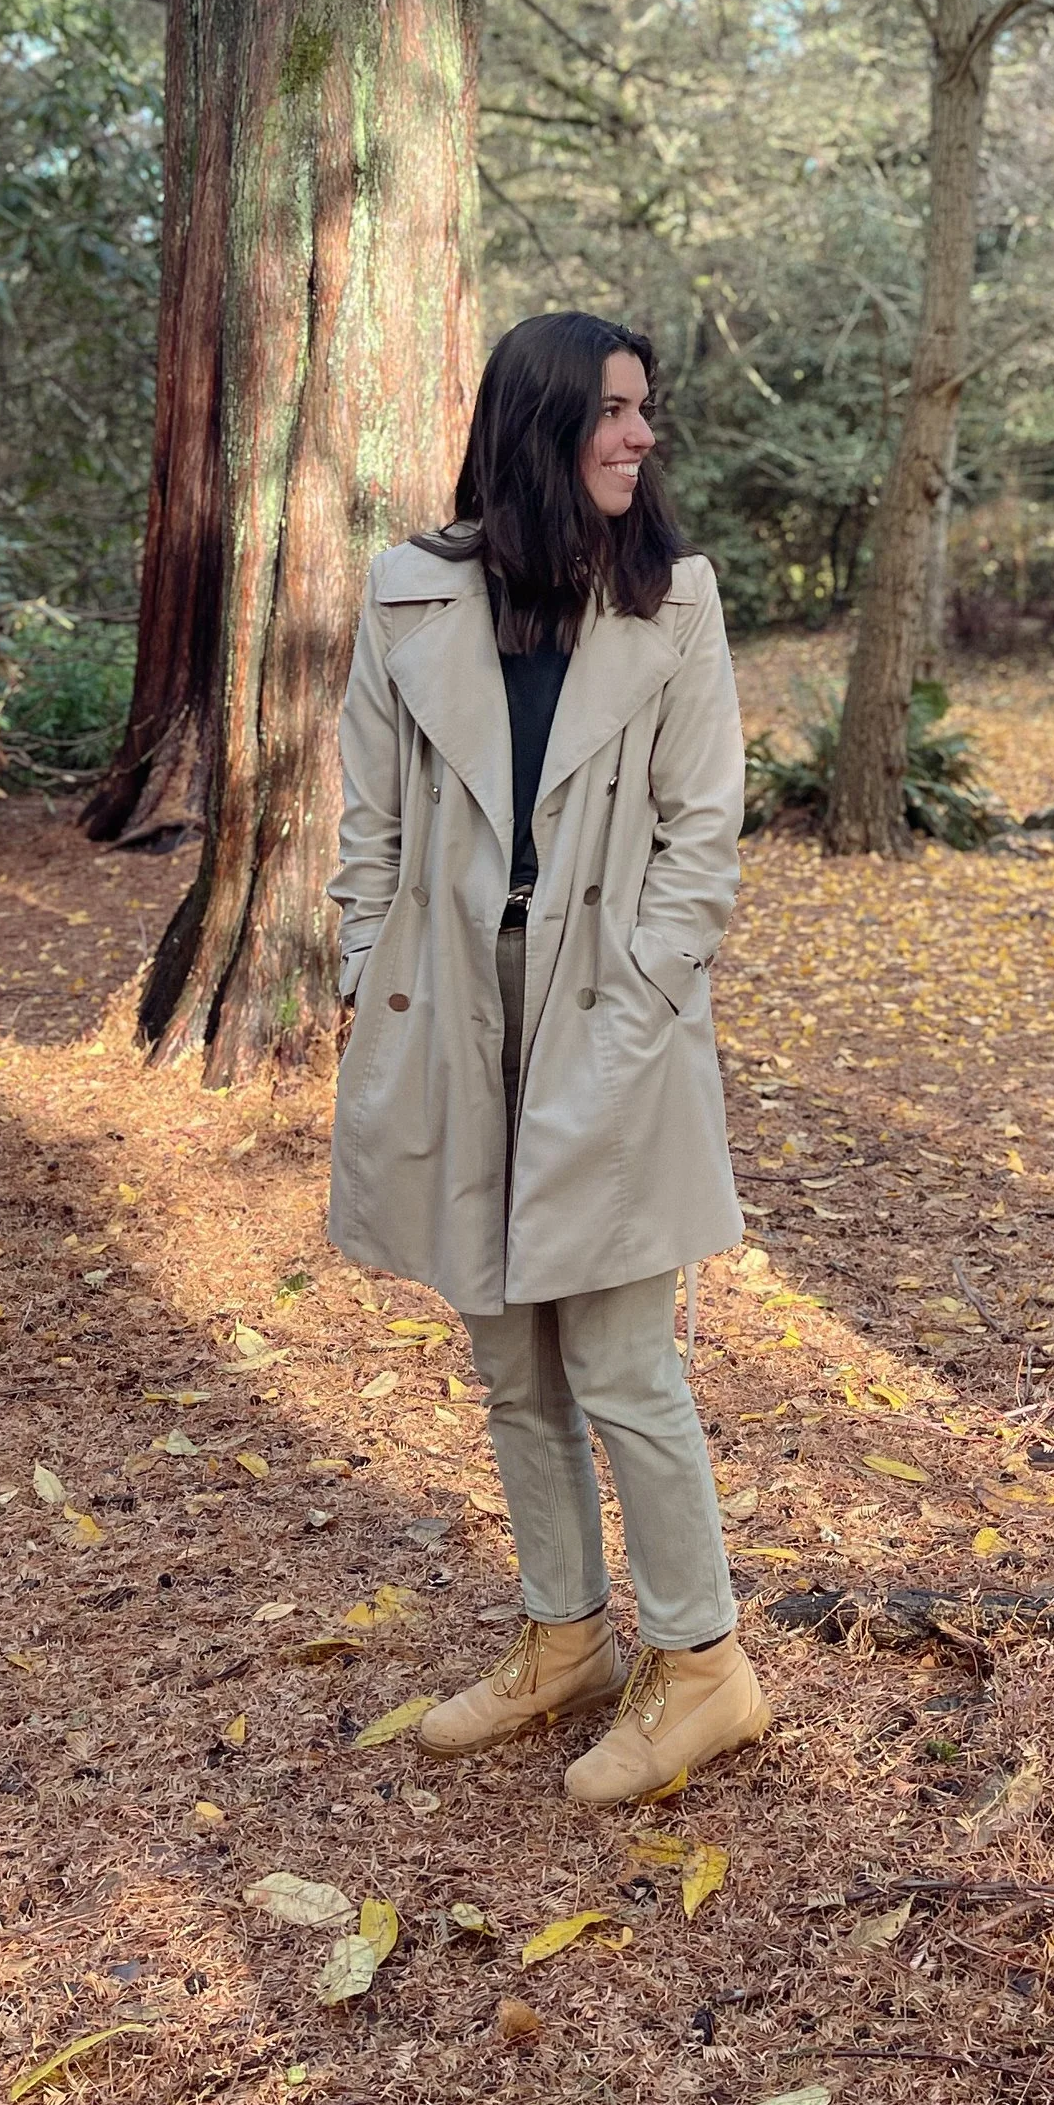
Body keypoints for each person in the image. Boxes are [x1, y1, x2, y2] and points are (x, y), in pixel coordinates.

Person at [326, 310, 768, 1803]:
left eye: (649, 410)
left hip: (613, 1007)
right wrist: (362, 971)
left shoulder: (673, 601)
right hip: (451, 1007)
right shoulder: (408, 596)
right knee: (511, 1355)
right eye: (618, 410)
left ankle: (704, 1662)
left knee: (624, 1356)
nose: (644, 436)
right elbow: (371, 827)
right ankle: (565, 1637)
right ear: (543, 422)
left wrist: (647, 986)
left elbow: (706, 827)